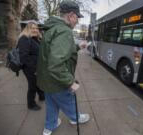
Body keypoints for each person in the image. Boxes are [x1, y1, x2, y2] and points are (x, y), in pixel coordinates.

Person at [36, 1, 90, 135]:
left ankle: (49, 127)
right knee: (69, 101)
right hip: (57, 82)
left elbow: (53, 52)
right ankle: (75, 118)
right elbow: (56, 64)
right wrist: (69, 82)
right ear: (71, 15)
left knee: (51, 105)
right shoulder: (64, 31)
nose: (77, 21)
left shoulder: (52, 28)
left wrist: (77, 47)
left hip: (46, 81)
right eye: (77, 17)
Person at [18, 21, 45, 111]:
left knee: (38, 82)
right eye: (32, 28)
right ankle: (31, 104)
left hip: (36, 66)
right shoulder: (24, 39)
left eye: (36, 28)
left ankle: (42, 95)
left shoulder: (34, 38)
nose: (35, 30)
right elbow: (24, 57)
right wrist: (34, 69)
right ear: (27, 29)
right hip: (30, 68)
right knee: (32, 86)